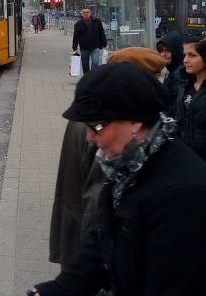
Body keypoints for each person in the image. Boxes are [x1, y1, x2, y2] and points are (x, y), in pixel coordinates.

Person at [30, 62, 206, 296]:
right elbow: (101, 246)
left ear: (135, 121)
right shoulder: (128, 166)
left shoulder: (181, 193)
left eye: (97, 126)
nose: (90, 137)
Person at [48, 47, 166, 267]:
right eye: (154, 80)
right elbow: (98, 195)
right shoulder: (107, 124)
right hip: (91, 238)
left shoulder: (90, 112)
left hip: (75, 220)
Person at [175, 36, 206, 162]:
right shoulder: (184, 84)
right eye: (185, 55)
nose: (185, 60)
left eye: (192, 55)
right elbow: (179, 120)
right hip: (187, 157)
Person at [156, 31, 186, 116]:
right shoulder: (174, 69)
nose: (163, 54)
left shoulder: (180, 73)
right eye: (161, 51)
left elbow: (176, 105)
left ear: (177, 51)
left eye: (167, 51)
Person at [71, 8, 107, 74]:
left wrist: (104, 44)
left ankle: (93, 76)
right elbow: (75, 36)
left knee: (95, 62)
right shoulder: (78, 24)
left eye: (87, 12)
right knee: (85, 64)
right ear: (82, 14)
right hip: (84, 47)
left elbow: (101, 33)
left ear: (90, 13)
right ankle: (87, 77)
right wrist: (74, 47)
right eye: (84, 12)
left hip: (95, 46)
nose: (86, 13)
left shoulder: (97, 21)